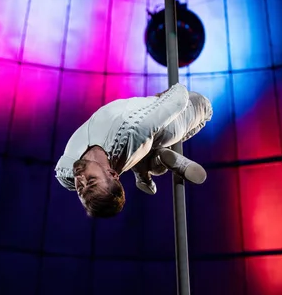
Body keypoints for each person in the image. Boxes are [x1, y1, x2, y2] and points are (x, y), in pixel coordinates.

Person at [55, 83, 212, 218]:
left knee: (142, 156)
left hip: (143, 141)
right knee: (206, 109)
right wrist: (165, 95)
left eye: (80, 188)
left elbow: (71, 180)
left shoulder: (66, 175)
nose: (80, 178)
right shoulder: (131, 129)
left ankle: (150, 167)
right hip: (176, 120)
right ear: (112, 174)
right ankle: (160, 162)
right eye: (90, 180)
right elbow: (178, 101)